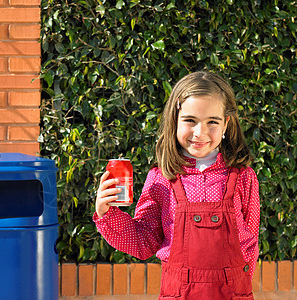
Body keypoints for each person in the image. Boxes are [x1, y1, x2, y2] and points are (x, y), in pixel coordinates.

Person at [93, 71, 260, 299]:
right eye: (190, 120)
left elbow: (250, 242)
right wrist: (107, 214)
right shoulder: (161, 178)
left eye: (212, 122)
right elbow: (143, 243)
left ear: (226, 124)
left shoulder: (244, 177)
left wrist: (238, 285)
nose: (200, 132)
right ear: (175, 119)